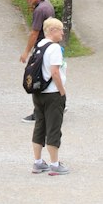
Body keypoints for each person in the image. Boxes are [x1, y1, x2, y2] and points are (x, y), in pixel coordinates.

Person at [31, 17, 68, 175]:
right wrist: (62, 91)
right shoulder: (54, 48)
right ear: (52, 30)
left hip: (38, 93)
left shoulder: (39, 45)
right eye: (60, 30)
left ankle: (38, 162)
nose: (62, 33)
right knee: (54, 127)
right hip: (52, 93)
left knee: (40, 126)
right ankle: (54, 164)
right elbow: (54, 72)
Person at [21, 0, 55, 122]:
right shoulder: (47, 4)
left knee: (36, 78)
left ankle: (38, 113)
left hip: (42, 49)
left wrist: (26, 52)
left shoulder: (39, 10)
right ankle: (57, 103)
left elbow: (34, 33)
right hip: (52, 47)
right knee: (50, 76)